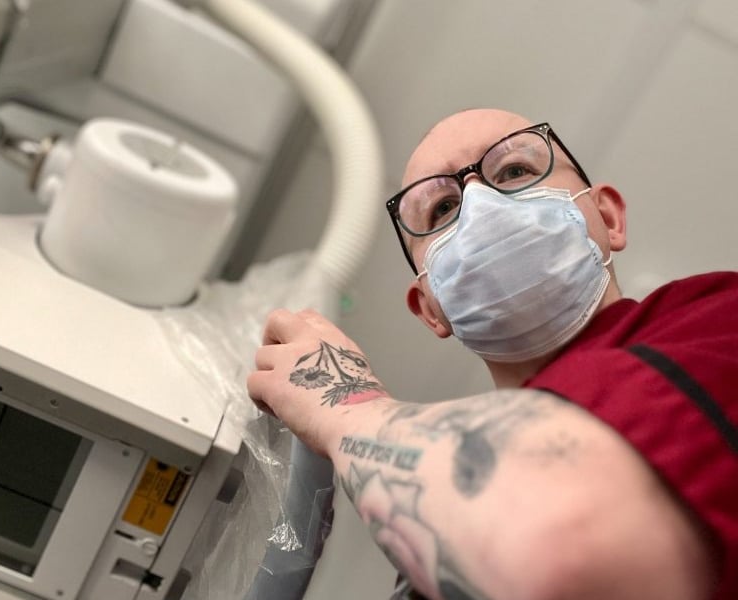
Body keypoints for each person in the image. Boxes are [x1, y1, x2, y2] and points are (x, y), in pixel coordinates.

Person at [247, 108, 738, 600]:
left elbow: (565, 545)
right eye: (443, 208)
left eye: (514, 171)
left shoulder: (715, 318)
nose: (482, 205)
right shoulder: (445, 493)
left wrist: (343, 405)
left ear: (608, 217)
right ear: (429, 309)